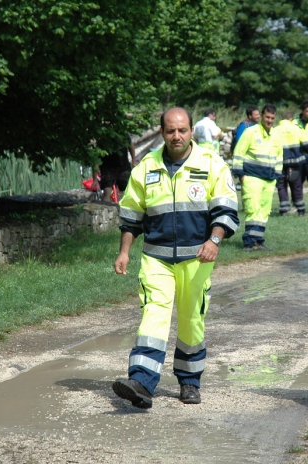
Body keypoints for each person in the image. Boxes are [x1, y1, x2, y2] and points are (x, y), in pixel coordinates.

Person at [112, 107, 239, 409]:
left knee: (191, 321)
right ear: (162, 133)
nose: (177, 135)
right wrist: (124, 251)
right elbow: (131, 215)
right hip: (156, 259)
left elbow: (226, 208)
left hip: (197, 259)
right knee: (153, 315)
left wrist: (214, 239)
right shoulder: (146, 166)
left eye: (182, 130)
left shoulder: (211, 163)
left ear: (192, 131)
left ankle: (190, 382)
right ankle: (142, 382)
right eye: (171, 131)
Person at [232, 104, 283, 251]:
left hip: (269, 180)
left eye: (272, 118)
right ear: (261, 116)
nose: (269, 120)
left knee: (264, 211)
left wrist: (276, 176)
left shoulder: (276, 135)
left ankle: (258, 241)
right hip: (251, 178)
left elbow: (279, 157)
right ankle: (249, 242)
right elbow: (238, 153)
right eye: (267, 117)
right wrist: (241, 176)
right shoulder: (250, 132)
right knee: (252, 209)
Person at [273, 111, 308, 216]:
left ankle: (284, 209)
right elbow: (307, 145)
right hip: (295, 162)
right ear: (291, 119)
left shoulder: (275, 130)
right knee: (296, 185)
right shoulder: (298, 129)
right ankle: (300, 209)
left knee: (281, 185)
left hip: (280, 163)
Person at [93, 137, 136, 202]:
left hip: (123, 166)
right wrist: (95, 179)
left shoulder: (122, 135)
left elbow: (130, 144)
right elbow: (96, 161)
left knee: (128, 191)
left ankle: (129, 209)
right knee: (107, 191)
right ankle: (106, 209)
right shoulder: (102, 139)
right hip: (107, 168)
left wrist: (134, 161)